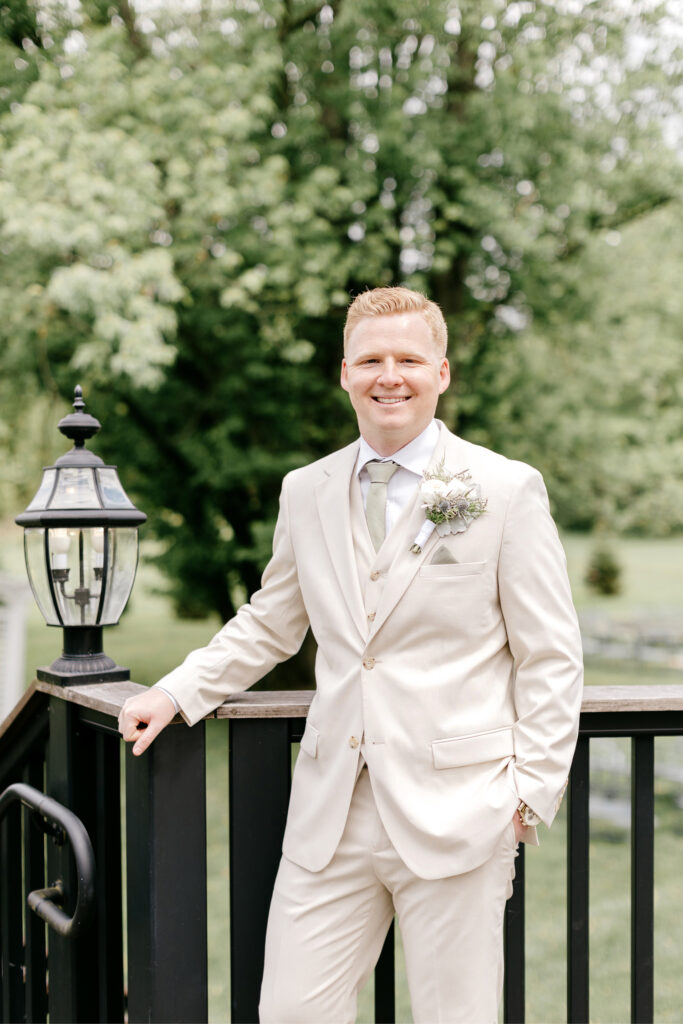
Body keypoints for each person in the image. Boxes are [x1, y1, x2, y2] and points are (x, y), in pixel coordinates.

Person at [118, 286, 583, 1024]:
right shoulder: (305, 490)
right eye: (370, 359)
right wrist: (177, 693)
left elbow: (551, 656)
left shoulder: (501, 489)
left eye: (407, 358)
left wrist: (528, 793)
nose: (388, 375)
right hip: (330, 813)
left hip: (462, 808)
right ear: (344, 373)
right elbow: (270, 623)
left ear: (441, 373)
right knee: (291, 1013)